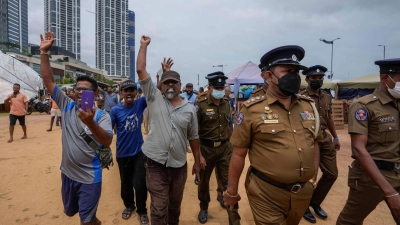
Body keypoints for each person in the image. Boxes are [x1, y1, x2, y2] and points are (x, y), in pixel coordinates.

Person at [224, 45, 323, 225]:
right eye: (287, 71)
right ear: (269, 76)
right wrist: (232, 191)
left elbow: (315, 142)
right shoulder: (252, 109)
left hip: (302, 193)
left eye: (296, 71)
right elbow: (238, 154)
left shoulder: (308, 106)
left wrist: (313, 176)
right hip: (266, 193)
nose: (294, 76)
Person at [40, 31, 113, 225]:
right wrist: (44, 53)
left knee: (85, 221)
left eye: (85, 90)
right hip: (67, 173)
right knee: (79, 214)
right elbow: (48, 81)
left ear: (95, 93)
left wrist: (90, 122)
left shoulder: (101, 115)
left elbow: (107, 141)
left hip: (90, 177)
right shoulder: (67, 105)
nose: (80, 92)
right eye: (78, 88)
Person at [136, 35, 201, 225]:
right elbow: (140, 69)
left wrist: (197, 161)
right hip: (155, 165)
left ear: (181, 86)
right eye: (167, 82)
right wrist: (143, 45)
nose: (170, 85)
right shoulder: (154, 98)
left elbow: (194, 137)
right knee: (158, 207)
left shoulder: (189, 108)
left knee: (174, 205)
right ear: (161, 86)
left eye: (174, 82)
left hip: (179, 166)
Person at [336, 58, 400, 224]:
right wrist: (390, 192)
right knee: (350, 221)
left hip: (398, 172)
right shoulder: (364, 106)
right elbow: (358, 148)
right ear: (385, 79)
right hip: (371, 178)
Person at [196, 72, 241, 224]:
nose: (220, 90)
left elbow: (228, 125)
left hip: (224, 149)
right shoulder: (201, 105)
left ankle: (231, 212)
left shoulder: (227, 103)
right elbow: (194, 132)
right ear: (209, 88)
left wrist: (231, 145)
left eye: (222, 87)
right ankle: (204, 206)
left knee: (228, 182)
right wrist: (199, 156)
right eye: (217, 87)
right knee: (203, 181)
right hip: (206, 149)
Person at [300, 65, 340, 223]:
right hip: (309, 140)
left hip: (325, 138)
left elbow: (329, 117)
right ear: (307, 79)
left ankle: (314, 202)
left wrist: (336, 137)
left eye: (320, 78)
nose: (317, 81)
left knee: (332, 174)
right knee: (310, 176)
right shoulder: (301, 98)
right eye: (314, 78)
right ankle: (303, 206)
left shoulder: (326, 96)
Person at [109, 80, 149, 224]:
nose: (129, 93)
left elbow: (152, 92)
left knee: (140, 184)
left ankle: (142, 210)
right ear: (121, 93)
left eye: (132, 90)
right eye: (126, 90)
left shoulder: (140, 103)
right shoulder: (115, 111)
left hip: (139, 152)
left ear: (136, 92)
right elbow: (108, 130)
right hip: (123, 154)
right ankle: (129, 205)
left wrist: (160, 77)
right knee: (125, 184)